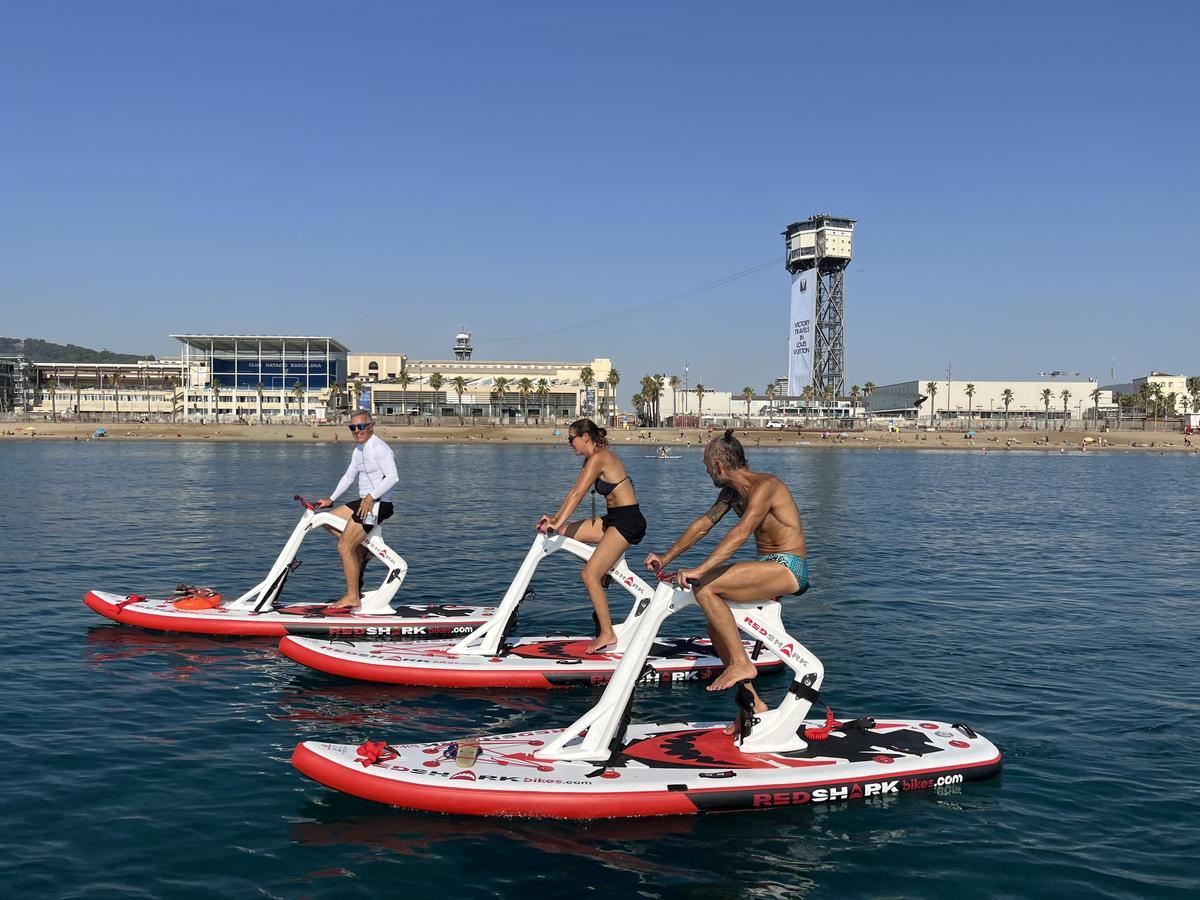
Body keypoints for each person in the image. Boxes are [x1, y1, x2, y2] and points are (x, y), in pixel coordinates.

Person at [644, 429, 808, 726]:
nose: (706, 471)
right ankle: (753, 704)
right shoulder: (732, 494)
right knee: (715, 626)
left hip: (787, 568)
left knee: (704, 588)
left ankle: (742, 665)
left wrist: (700, 570)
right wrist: (667, 557)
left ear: (720, 465)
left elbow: (741, 532)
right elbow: (703, 526)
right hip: (765, 566)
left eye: (707, 465)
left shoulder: (766, 486)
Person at [537, 418, 647, 653]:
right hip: (612, 520)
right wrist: (556, 521)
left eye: (571, 439)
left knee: (589, 575)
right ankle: (605, 570)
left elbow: (578, 494)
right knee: (565, 533)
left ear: (585, 437)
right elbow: (573, 492)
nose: (569, 444)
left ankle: (607, 633)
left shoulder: (601, 457)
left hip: (628, 522)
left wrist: (557, 520)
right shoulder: (591, 459)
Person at [315, 411, 398, 608]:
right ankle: (362, 549)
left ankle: (353, 595)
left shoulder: (379, 447)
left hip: (378, 505)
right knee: (326, 520)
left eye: (360, 427)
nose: (356, 431)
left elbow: (393, 477)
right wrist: (331, 499)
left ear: (371, 426)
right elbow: (348, 476)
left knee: (344, 546)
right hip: (364, 502)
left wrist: (371, 498)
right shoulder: (359, 450)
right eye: (352, 428)